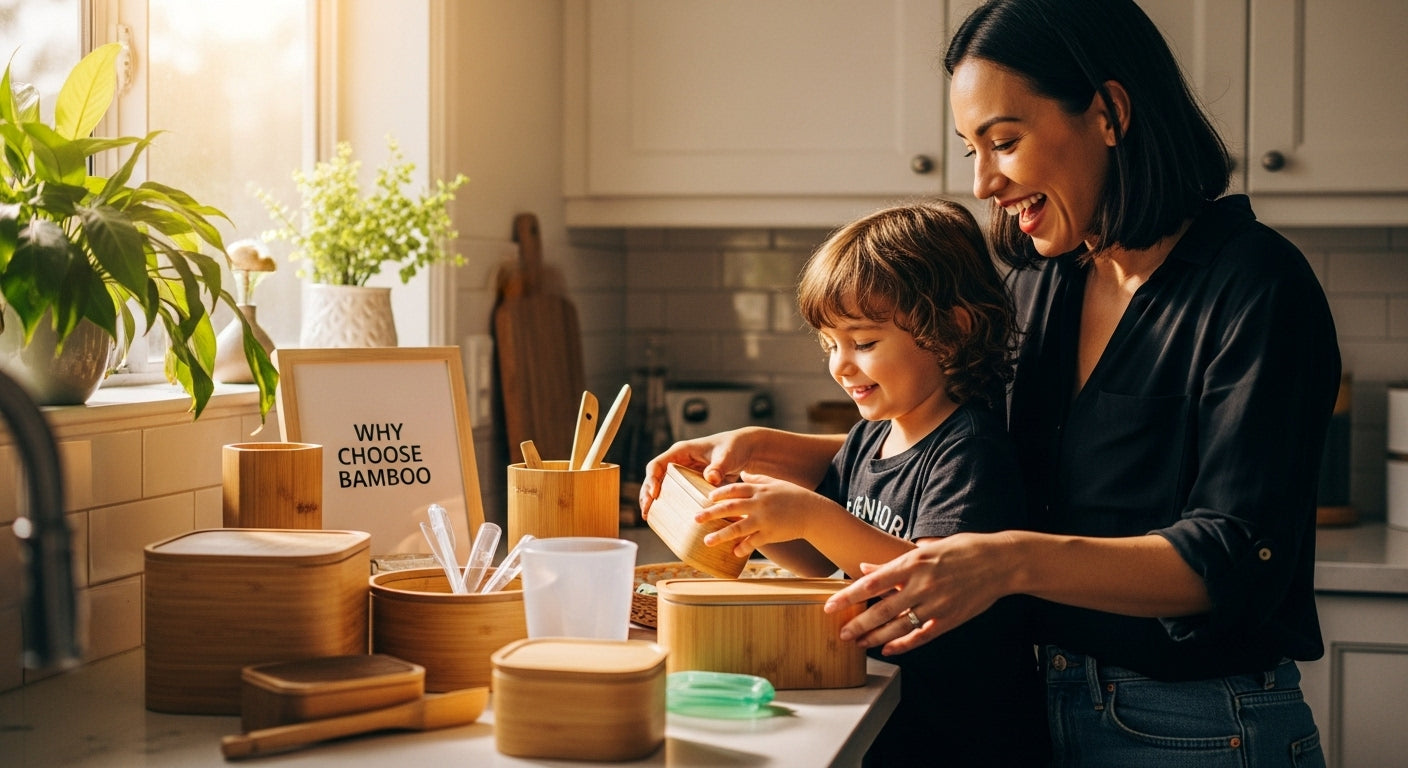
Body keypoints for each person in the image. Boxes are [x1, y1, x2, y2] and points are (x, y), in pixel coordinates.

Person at [640, 0, 1339, 765]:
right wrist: (768, 451)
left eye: (1003, 141)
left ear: (1109, 113)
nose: (982, 182)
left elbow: (1233, 557)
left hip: (1198, 725)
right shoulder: (1044, 282)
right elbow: (961, 451)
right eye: (971, 148)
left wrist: (1004, 562)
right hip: (1041, 706)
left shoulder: (1255, 286)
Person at [654, 200, 1046, 767]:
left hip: (965, 734)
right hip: (892, 714)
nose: (840, 365)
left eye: (862, 343)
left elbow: (928, 580)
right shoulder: (870, 437)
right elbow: (821, 562)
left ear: (951, 332)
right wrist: (752, 521)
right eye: (830, 344)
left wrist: (810, 513)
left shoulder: (969, 449)